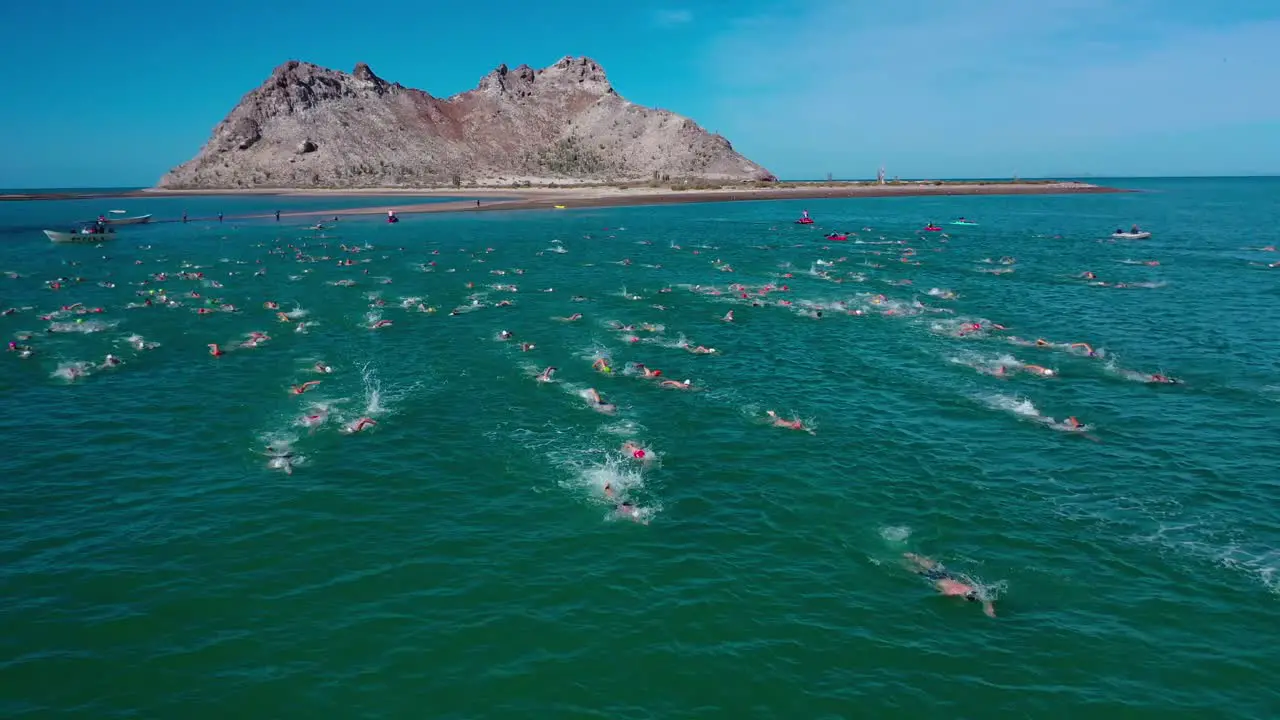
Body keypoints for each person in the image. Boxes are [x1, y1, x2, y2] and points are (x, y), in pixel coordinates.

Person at [904, 553, 996, 618]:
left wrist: (988, 608)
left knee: (933, 567)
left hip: (948, 576)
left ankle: (915, 557)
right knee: (918, 572)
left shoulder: (969, 588)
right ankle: (904, 563)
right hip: (936, 579)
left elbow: (985, 600)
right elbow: (941, 593)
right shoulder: (952, 593)